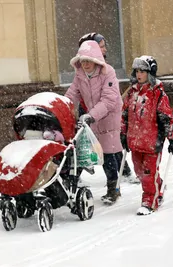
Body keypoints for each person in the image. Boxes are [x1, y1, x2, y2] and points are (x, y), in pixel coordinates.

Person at [121, 55, 173, 215]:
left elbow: (166, 117)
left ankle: (149, 201)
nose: (139, 74)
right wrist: (123, 133)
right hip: (135, 141)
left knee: (148, 173)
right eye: (137, 71)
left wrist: (172, 137)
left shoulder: (157, 94)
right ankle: (157, 186)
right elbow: (125, 114)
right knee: (140, 171)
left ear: (150, 73)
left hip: (152, 142)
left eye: (143, 71)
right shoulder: (132, 93)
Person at [65, 40, 123, 204]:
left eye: (88, 61)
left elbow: (109, 100)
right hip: (92, 117)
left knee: (108, 154)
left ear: (96, 60)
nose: (85, 64)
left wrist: (92, 115)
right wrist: (61, 106)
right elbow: (72, 93)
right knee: (82, 153)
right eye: (82, 61)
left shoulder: (108, 73)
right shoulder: (80, 75)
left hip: (109, 118)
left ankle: (113, 189)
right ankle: (72, 186)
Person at [77, 32, 137, 183]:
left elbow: (109, 97)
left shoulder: (106, 69)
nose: (104, 50)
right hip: (87, 110)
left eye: (104, 46)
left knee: (110, 142)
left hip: (104, 112)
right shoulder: (84, 67)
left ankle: (123, 173)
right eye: (101, 46)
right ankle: (75, 176)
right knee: (82, 142)